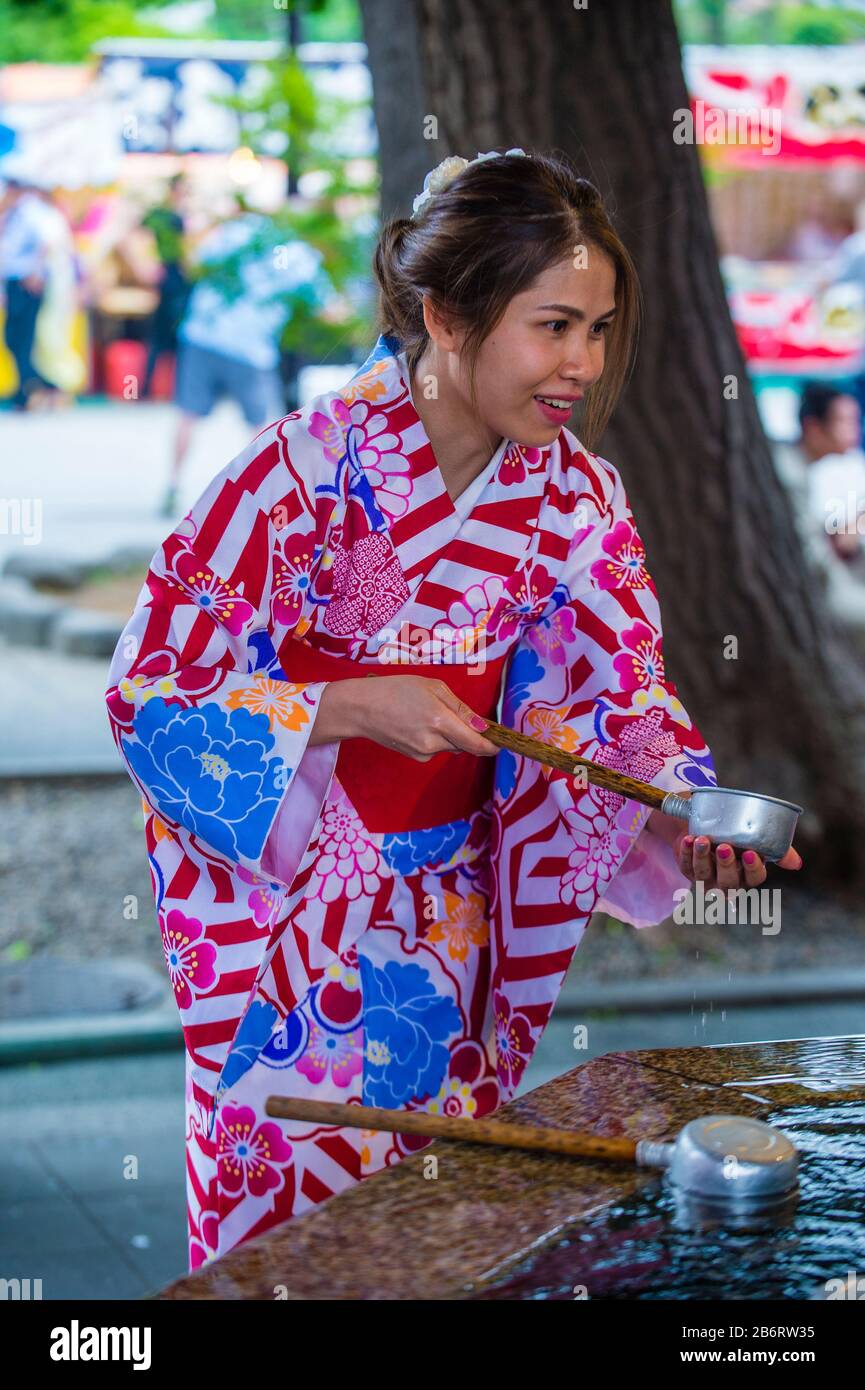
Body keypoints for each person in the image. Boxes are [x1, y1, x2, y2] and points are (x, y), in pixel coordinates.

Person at [105, 149, 802, 1272]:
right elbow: (152, 691)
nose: (582, 362)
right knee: (289, 1247)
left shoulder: (577, 500)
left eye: (599, 327)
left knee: (439, 1237)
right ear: (444, 313)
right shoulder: (296, 478)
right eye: (553, 324)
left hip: (454, 922)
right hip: (300, 929)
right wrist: (339, 703)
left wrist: (676, 808)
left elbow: (620, 693)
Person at [159, 203, 329, 518]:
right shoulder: (300, 254)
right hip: (251, 348)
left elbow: (195, 263)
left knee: (187, 415)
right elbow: (326, 308)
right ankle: (265, 498)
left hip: (203, 334)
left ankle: (172, 485)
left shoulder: (235, 232)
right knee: (260, 426)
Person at [0, 176, 64, 409]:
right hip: (14, 281)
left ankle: (29, 392)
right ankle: (41, 387)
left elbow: (47, 242)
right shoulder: (12, 213)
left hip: (29, 282)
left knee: (23, 340)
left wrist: (35, 272)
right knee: (12, 339)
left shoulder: (32, 212)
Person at [798, 381, 865, 580]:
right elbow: (842, 540)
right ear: (814, 427)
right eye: (843, 421)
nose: (854, 430)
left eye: (855, 421)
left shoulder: (852, 462)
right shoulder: (812, 472)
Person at [140, 172, 192, 402]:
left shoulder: (171, 216)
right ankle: (151, 388)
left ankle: (164, 389)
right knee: (167, 336)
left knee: (170, 338)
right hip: (172, 281)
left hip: (177, 281)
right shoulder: (164, 217)